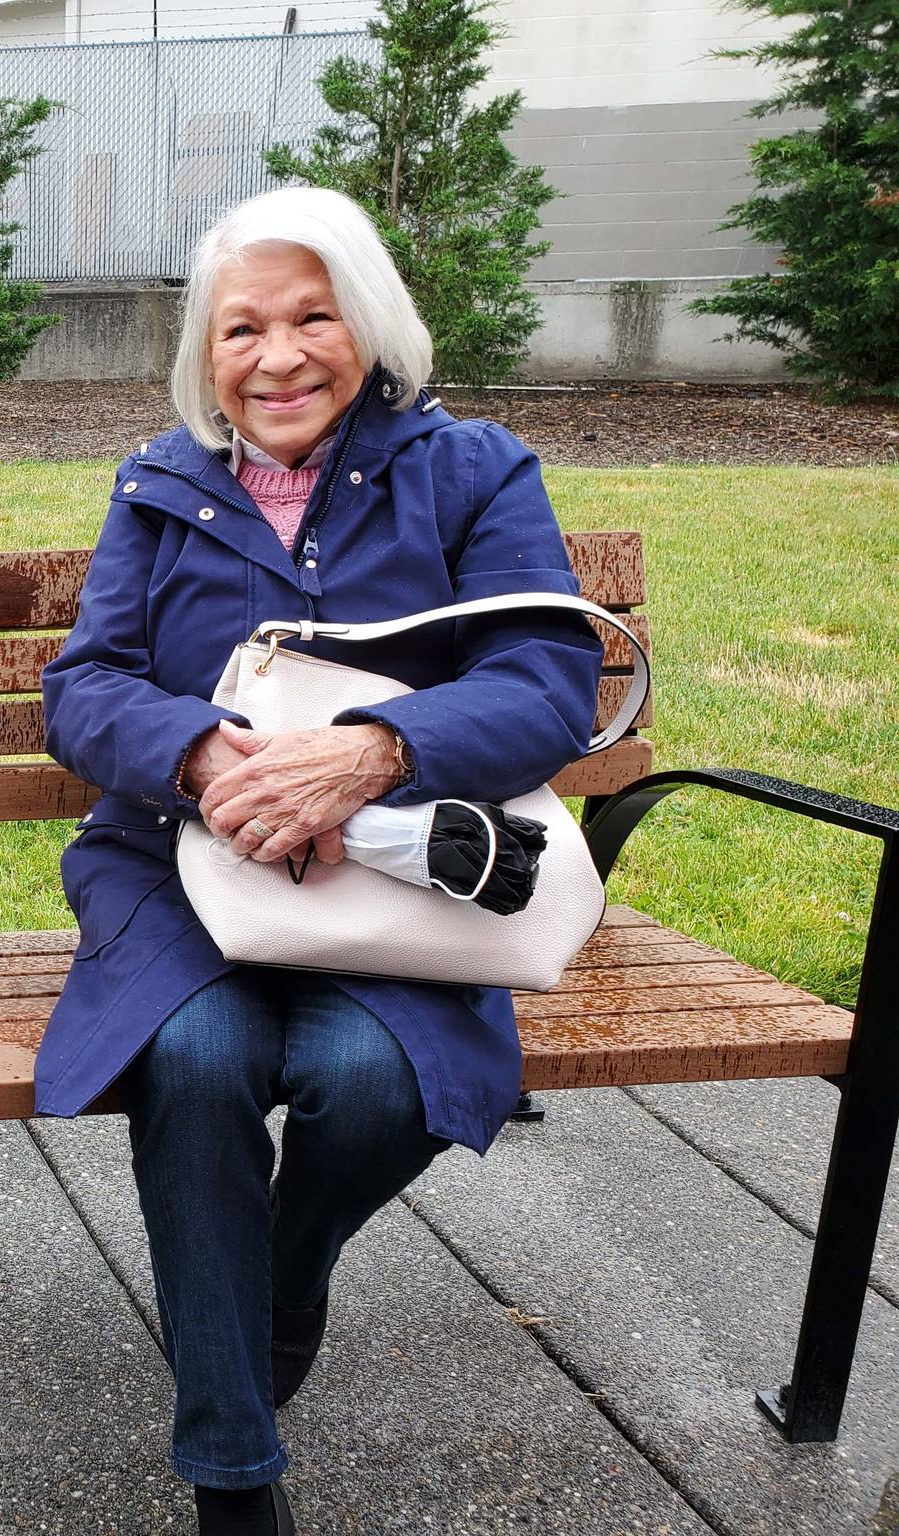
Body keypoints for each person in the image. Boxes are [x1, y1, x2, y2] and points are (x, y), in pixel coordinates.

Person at [32, 186, 606, 1536]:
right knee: (199, 1062)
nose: (277, 357)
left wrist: (377, 750)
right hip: (187, 870)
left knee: (365, 1086)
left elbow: (550, 677)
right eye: (241, 329)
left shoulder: (470, 471)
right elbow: (85, 685)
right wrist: (195, 754)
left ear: (369, 320)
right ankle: (235, 1475)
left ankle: (280, 1278)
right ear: (204, 353)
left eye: (311, 317)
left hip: (392, 880)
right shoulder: (164, 487)